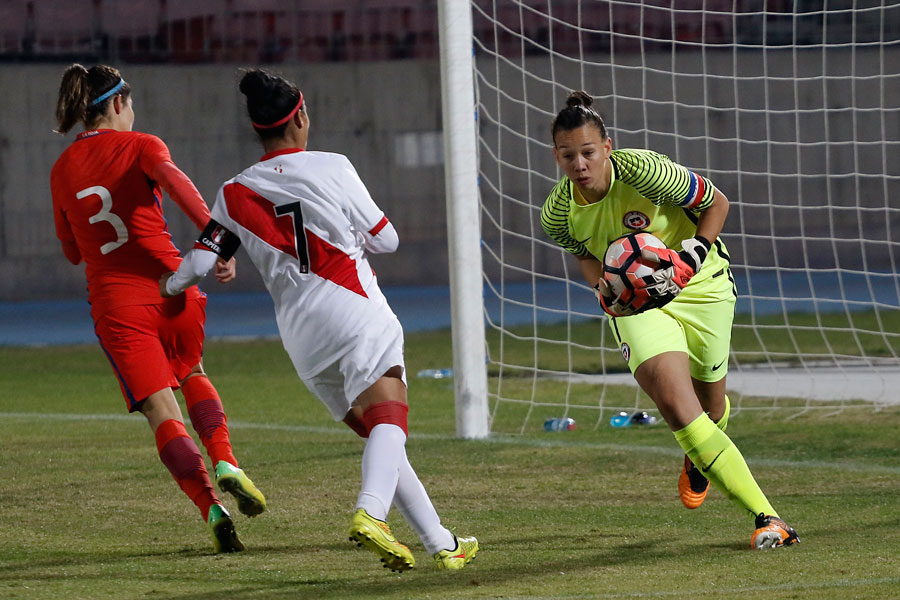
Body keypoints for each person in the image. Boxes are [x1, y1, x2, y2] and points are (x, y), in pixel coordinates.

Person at [160, 68, 479, 571]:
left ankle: (441, 540)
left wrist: (170, 289)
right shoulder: (334, 166)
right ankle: (370, 515)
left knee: (382, 433)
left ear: (257, 129)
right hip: (355, 310)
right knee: (391, 421)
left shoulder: (234, 191)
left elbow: (200, 264)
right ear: (302, 115)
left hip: (304, 341)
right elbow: (387, 239)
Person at [540, 90, 799, 550]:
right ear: (556, 155)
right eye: (568, 155)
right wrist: (603, 287)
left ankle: (700, 458)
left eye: (588, 152)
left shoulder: (645, 171)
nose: (579, 164)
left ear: (608, 148)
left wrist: (691, 254)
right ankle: (768, 517)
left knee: (712, 410)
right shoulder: (558, 213)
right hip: (636, 306)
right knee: (679, 408)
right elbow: (584, 255)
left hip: (701, 285)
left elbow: (717, 203)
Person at [50, 64, 266, 553]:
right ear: (119, 104)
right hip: (173, 288)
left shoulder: (61, 170)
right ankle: (227, 460)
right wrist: (219, 243)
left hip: (118, 306)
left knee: (160, 411)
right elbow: (176, 184)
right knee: (191, 371)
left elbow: (71, 251)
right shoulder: (144, 145)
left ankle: (212, 508)